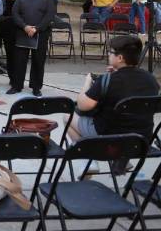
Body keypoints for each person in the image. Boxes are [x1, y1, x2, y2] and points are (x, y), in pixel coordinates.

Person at [68, 36, 160, 174]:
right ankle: (123, 160)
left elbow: (82, 106)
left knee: (67, 117)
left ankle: (90, 160)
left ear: (120, 58)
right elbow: (130, 88)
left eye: (110, 52)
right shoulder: (151, 79)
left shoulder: (108, 80)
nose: (108, 54)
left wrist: (87, 82)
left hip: (109, 138)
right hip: (141, 140)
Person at [9, 0, 56, 96]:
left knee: (38, 61)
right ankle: (16, 86)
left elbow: (49, 16)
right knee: (19, 61)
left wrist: (37, 28)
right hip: (22, 32)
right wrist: (25, 26)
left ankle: (36, 87)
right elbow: (15, 13)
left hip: (40, 34)